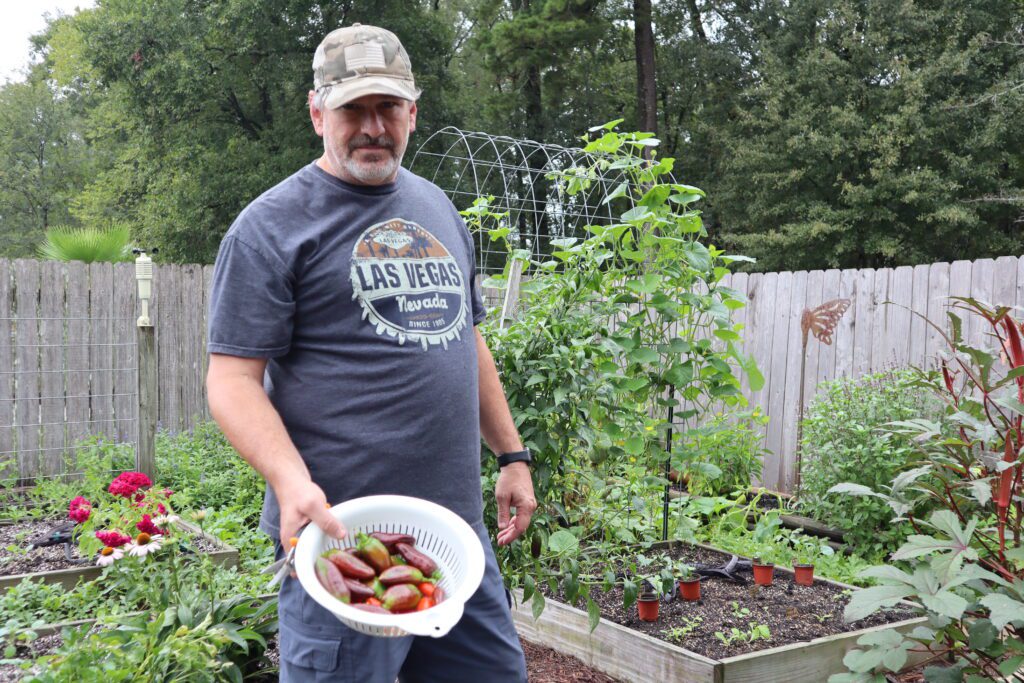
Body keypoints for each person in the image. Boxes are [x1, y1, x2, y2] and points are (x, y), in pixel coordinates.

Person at [205, 23, 535, 683]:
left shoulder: (436, 208)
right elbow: (232, 379)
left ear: (413, 111)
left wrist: (512, 454)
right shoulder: (271, 227)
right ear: (317, 111)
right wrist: (291, 483)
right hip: (340, 541)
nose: (372, 127)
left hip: (453, 540)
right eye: (353, 107)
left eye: (388, 106)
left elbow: (465, 337)